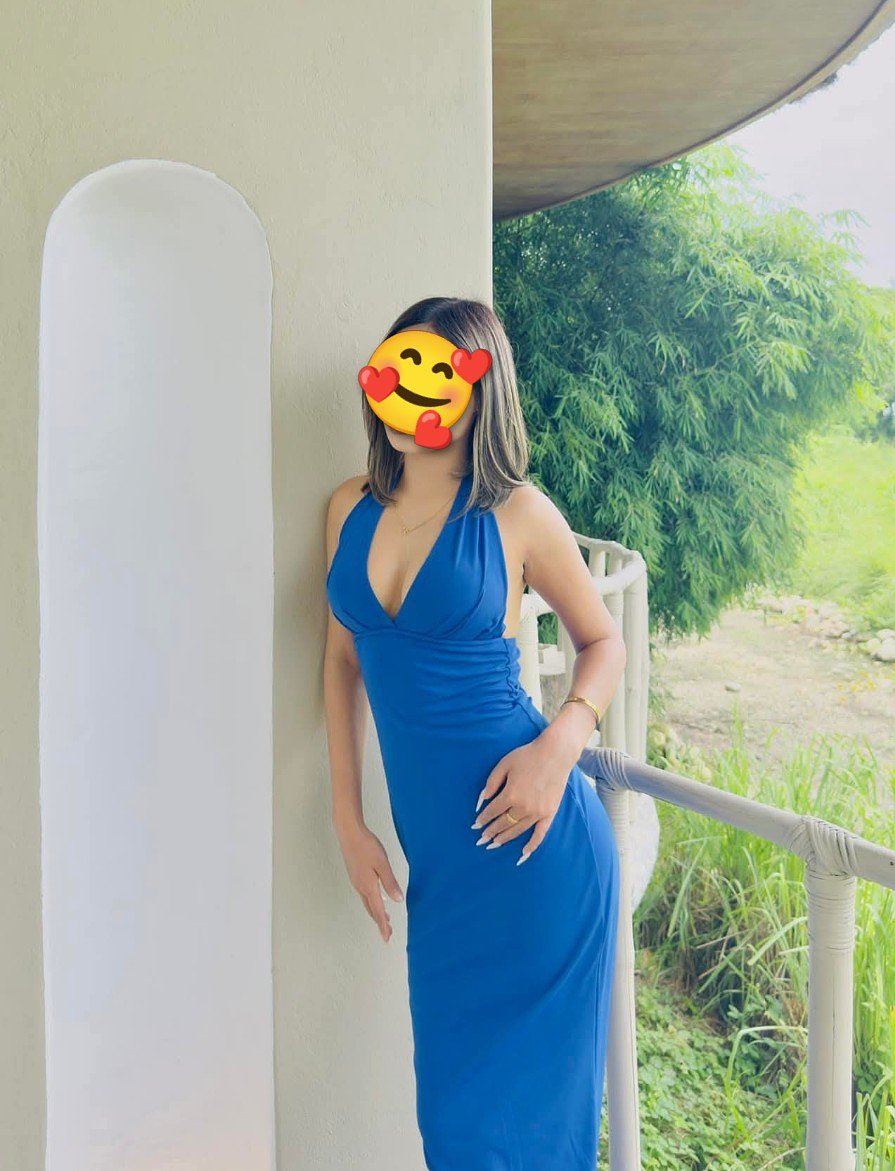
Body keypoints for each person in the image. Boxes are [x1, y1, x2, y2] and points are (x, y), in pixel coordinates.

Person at [323, 295, 626, 1170]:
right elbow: (340, 662)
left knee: (533, 1138)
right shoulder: (347, 506)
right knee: (455, 1130)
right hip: (444, 876)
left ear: (478, 390)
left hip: (536, 850)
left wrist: (558, 747)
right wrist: (346, 817)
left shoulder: (518, 514)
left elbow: (603, 642)